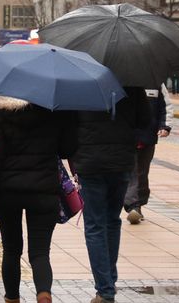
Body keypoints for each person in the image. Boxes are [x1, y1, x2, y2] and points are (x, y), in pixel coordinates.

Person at [0, 93, 77, 303]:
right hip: (44, 190)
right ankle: (43, 294)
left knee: (12, 249)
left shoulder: (1, 110)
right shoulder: (53, 110)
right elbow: (67, 149)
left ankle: (12, 298)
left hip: (7, 192)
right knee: (40, 251)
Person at [72, 87, 150, 303]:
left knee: (96, 225)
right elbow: (145, 120)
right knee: (112, 221)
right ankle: (108, 283)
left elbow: (69, 125)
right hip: (121, 162)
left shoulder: (81, 84)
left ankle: (105, 290)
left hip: (90, 163)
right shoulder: (132, 84)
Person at [125, 85, 173, 224]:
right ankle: (133, 206)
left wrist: (165, 126)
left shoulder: (156, 82)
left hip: (148, 137)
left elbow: (165, 107)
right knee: (132, 172)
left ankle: (139, 202)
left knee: (142, 172)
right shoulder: (124, 81)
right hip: (127, 137)